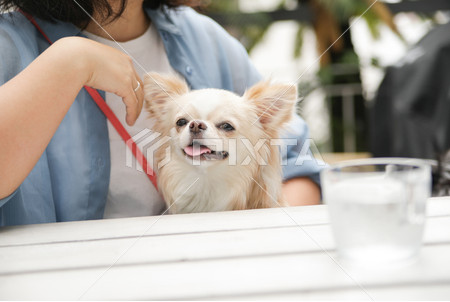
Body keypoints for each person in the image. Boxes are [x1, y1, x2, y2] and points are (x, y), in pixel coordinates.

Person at [0, 0, 322, 226]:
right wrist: (69, 63)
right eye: (182, 122)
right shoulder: (9, 45)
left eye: (225, 125)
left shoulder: (203, 38)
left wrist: (258, 238)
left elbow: (298, 166)